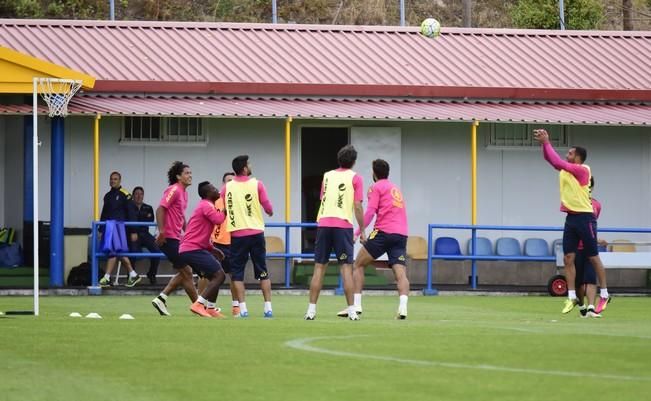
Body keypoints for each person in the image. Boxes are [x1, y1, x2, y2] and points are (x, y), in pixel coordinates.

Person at [534, 129, 610, 314]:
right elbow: (552, 161)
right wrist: (544, 144)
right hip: (571, 218)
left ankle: (605, 293)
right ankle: (571, 296)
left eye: (570, 152)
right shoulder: (565, 171)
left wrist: (547, 141)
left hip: (585, 217)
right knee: (568, 258)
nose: (566, 154)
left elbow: (558, 161)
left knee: (593, 256)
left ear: (578, 157)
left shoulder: (583, 170)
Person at [337, 159, 409, 319]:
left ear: (374, 173)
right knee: (400, 272)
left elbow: (369, 212)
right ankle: (403, 308)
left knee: (358, 264)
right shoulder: (395, 188)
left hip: (384, 232)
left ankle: (356, 306)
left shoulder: (375, 187)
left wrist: (357, 233)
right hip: (401, 234)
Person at [304, 145, 365, 321]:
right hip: (343, 226)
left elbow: (323, 198)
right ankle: (352, 311)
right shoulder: (356, 178)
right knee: (346, 268)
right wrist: (362, 230)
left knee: (319, 268)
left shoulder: (327, 176)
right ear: (353, 162)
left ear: (339, 159)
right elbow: (358, 205)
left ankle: (311, 310)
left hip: (324, 224)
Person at [222, 155, 274, 318]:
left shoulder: (226, 188)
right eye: (249, 164)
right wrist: (269, 211)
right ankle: (268, 308)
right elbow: (268, 206)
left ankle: (243, 308)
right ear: (245, 168)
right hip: (256, 233)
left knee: (237, 272)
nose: (251, 166)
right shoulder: (257, 184)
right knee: (262, 270)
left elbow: (222, 206)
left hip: (237, 234)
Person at [151, 161, 197, 316]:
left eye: (190, 173)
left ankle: (161, 298)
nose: (190, 176)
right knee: (187, 272)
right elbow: (160, 209)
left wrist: (188, 233)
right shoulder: (174, 190)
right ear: (178, 176)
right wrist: (162, 231)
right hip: (168, 238)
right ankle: (199, 306)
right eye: (186, 173)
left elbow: (180, 215)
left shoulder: (184, 192)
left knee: (186, 272)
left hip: (177, 238)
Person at [180, 181, 228, 318]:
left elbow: (201, 233)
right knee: (220, 275)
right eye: (213, 188)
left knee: (215, 276)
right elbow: (218, 219)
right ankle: (198, 304)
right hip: (192, 249)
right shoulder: (206, 205)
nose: (217, 190)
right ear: (207, 193)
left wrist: (213, 249)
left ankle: (211, 309)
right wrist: (228, 209)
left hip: (191, 248)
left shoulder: (206, 206)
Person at [197, 171, 240, 316]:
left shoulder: (239, 200)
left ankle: (236, 307)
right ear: (223, 184)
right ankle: (201, 303)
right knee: (208, 275)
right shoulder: (215, 200)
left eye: (233, 181)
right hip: (216, 243)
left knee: (235, 275)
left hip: (234, 243)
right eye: (228, 181)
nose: (231, 184)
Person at [98, 171, 142, 287]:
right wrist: (101, 229)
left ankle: (107, 277)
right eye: (111, 179)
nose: (113, 181)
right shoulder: (107, 196)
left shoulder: (125, 194)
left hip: (119, 228)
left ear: (120, 180)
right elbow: (104, 213)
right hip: (109, 227)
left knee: (116, 251)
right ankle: (133, 275)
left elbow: (131, 213)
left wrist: (133, 230)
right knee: (117, 252)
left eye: (115, 179)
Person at [576, 177, 608, 318]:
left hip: (590, 247)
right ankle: (582, 305)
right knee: (579, 281)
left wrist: (596, 239)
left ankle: (591, 307)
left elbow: (591, 226)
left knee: (590, 278)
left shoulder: (596, 205)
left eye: (589, 185)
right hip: (576, 247)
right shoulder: (575, 203)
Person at [129, 186, 161, 285]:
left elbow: (149, 221)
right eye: (136, 194)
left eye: (141, 194)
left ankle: (151, 274)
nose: (139, 196)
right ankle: (131, 276)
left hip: (145, 234)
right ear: (133, 196)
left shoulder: (148, 208)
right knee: (132, 253)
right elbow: (128, 221)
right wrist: (133, 231)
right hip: (133, 234)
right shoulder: (129, 207)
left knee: (157, 251)